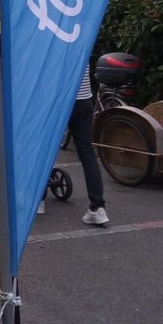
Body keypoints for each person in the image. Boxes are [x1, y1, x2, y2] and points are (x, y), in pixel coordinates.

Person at [69, 66, 109, 225]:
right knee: (87, 154)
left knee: (45, 151)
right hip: (84, 100)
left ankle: (40, 199)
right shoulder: (82, 40)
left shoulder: (49, 41)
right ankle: (98, 207)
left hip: (57, 100)